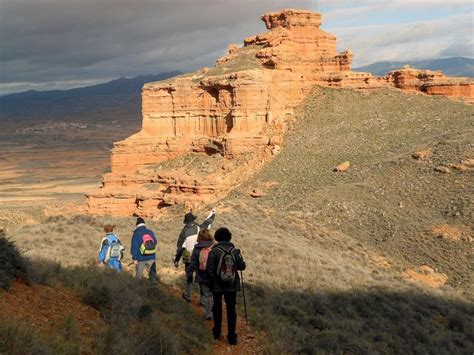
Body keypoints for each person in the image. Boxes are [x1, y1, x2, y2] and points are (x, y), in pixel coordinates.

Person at [206, 227, 246, 346]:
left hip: (217, 285)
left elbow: (210, 269)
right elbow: (242, 267)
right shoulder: (234, 250)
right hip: (232, 284)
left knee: (217, 307)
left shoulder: (214, 251)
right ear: (229, 237)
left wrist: (211, 282)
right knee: (231, 309)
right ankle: (231, 337)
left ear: (217, 238)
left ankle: (217, 332)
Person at [174, 208, 216, 301]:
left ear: (185, 222)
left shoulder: (183, 232)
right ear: (193, 219)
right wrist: (213, 212)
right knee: (201, 275)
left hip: (187, 254)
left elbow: (180, 248)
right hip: (199, 253)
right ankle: (203, 298)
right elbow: (208, 222)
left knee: (189, 275)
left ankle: (188, 295)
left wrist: (176, 260)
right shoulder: (199, 227)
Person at [186, 229, 215, 320]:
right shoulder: (214, 246)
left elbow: (193, 262)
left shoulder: (197, 248)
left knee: (205, 294)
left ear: (200, 237)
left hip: (202, 275)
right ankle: (214, 312)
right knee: (212, 294)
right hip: (213, 275)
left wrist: (189, 273)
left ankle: (208, 314)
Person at [131, 217, 158, 285]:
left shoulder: (136, 233)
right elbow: (155, 241)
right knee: (152, 274)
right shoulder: (150, 232)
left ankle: (138, 290)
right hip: (151, 256)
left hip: (140, 258)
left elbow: (134, 246)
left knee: (139, 275)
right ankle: (154, 288)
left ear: (137, 225)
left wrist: (134, 258)